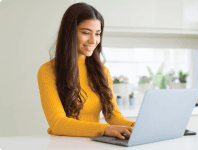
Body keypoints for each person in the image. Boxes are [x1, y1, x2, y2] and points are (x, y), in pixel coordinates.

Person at [37, 2, 135, 140]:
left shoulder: (102, 71)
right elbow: (57, 123)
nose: (93, 40)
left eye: (98, 34)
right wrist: (105, 129)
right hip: (62, 144)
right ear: (70, 33)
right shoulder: (48, 70)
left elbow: (113, 115)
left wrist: (135, 126)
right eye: (85, 32)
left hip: (93, 143)